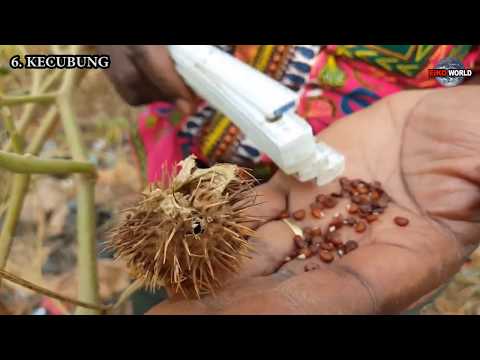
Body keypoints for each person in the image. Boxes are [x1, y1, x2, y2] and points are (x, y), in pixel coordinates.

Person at [97, 45, 480, 314]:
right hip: (201, 172)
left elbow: (453, 72)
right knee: (174, 280)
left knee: (352, 294)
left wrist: (464, 91)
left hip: (407, 190)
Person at [97, 45, 479, 183]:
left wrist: (467, 82)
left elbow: (452, 71)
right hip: (219, 153)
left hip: (435, 99)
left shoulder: (446, 70)